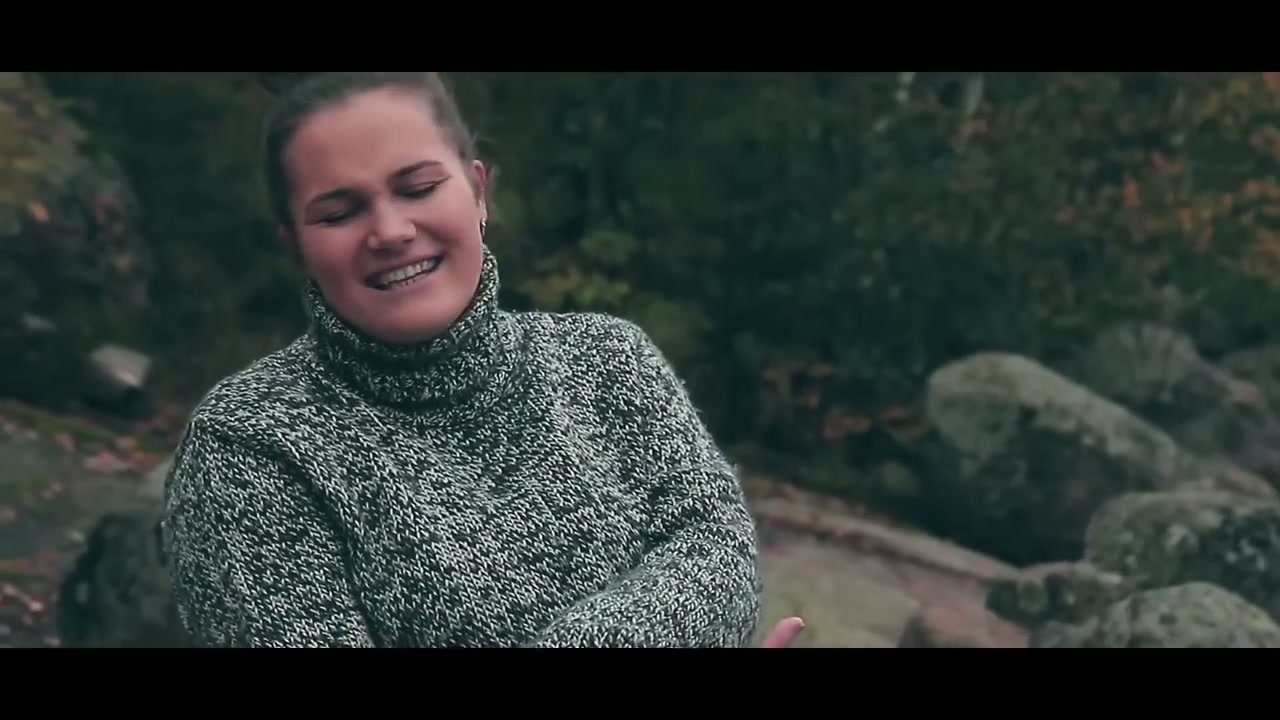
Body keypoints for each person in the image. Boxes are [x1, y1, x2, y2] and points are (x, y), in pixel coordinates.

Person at [160, 71, 801, 648]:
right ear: (296, 247)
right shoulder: (248, 443)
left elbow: (717, 553)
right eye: (340, 213)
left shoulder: (611, 361)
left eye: (418, 188)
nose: (390, 232)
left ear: (477, 191)